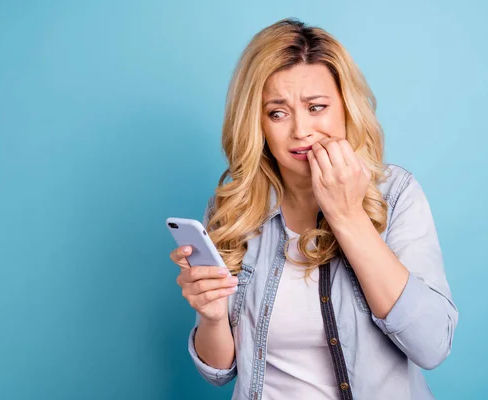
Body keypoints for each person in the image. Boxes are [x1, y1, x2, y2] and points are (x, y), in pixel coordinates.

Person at [169, 18, 458, 400]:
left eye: (316, 107)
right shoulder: (233, 209)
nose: (301, 130)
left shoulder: (395, 193)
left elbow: (432, 344)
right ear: (257, 123)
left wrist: (347, 216)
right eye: (278, 113)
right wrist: (211, 315)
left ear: (345, 108)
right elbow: (220, 372)